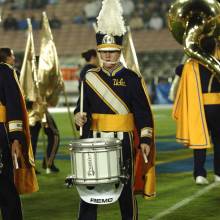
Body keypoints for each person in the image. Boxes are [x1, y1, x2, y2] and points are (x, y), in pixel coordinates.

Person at [74, 0, 155, 219]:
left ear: (120, 51)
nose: (108, 56)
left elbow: (143, 113)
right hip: (94, 139)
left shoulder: (132, 78)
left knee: (125, 191)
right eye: (103, 51)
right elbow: (80, 108)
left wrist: (145, 140)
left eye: (112, 51)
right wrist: (79, 117)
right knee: (89, 188)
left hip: (124, 142)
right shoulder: (89, 77)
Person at [172, 37, 220, 185]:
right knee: (219, 141)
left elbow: (178, 70)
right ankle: (218, 174)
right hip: (217, 107)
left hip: (197, 107)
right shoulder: (217, 63)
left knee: (199, 141)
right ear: (214, 48)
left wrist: (191, 54)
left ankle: (199, 174)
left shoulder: (191, 64)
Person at [0, 48, 38, 219]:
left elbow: (14, 105)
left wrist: (15, 138)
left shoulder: (4, 72)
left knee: (5, 188)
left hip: (1, 135)